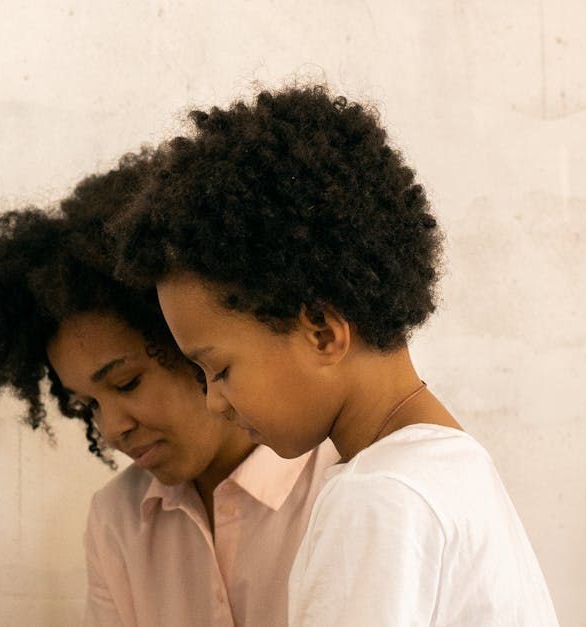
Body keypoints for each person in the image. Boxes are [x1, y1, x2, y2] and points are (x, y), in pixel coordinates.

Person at [110, 86, 558, 625]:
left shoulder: (377, 498)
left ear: (322, 333)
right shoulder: (452, 467)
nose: (215, 403)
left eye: (220, 370)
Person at [0, 154, 337, 626]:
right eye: (86, 406)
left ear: (192, 344)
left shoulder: (342, 489)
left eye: (126, 382)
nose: (112, 428)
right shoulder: (118, 521)